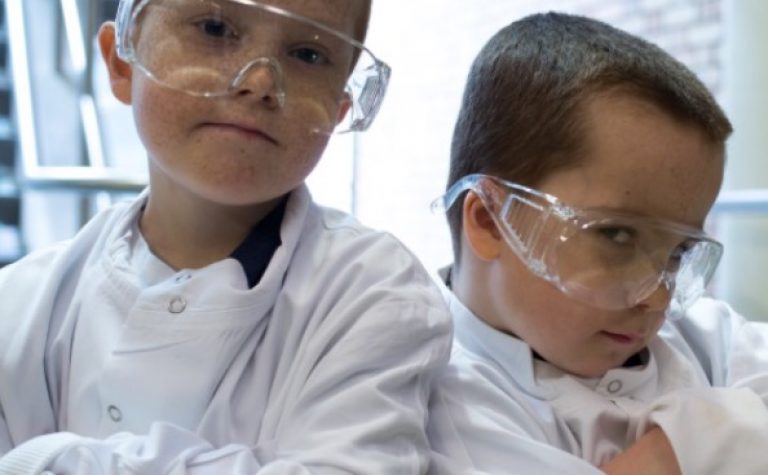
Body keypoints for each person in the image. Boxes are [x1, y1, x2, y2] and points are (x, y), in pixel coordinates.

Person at [0, 0, 452, 473]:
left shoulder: (374, 294)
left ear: (340, 108)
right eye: (215, 28)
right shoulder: (19, 304)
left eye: (308, 55)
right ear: (120, 62)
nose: (260, 81)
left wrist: (41, 459)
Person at [427, 11, 768, 475]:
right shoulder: (443, 401)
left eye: (678, 254)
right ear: (490, 220)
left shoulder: (702, 338)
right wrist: (694, 442)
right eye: (617, 236)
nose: (658, 297)